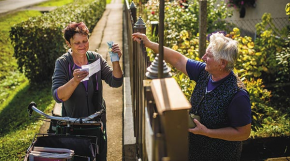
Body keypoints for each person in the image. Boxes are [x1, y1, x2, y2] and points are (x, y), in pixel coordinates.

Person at [132, 32, 251, 161]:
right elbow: (178, 60)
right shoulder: (204, 73)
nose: (203, 57)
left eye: (209, 56)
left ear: (222, 63)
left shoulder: (237, 95)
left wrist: (208, 132)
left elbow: (243, 133)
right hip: (194, 151)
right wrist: (149, 44)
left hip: (219, 156)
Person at [52, 22, 123, 161]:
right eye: (77, 42)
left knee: (99, 154)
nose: (82, 45)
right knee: (79, 157)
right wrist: (75, 81)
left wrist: (115, 61)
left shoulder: (95, 58)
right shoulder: (63, 63)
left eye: (85, 41)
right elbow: (58, 96)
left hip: (96, 121)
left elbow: (116, 82)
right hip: (73, 123)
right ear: (69, 43)